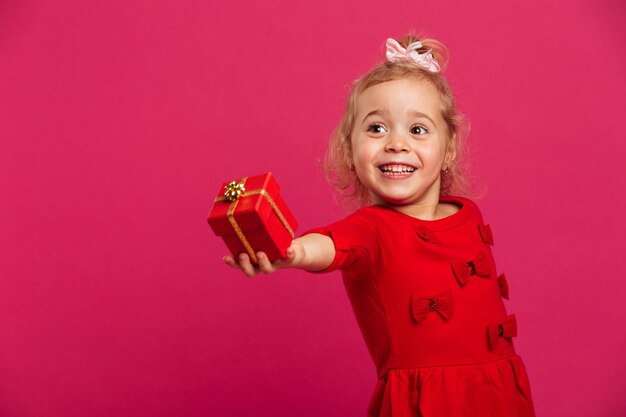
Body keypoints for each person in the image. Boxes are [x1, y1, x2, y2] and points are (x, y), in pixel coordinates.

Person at [223, 34, 536, 417]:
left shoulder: (467, 213)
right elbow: (329, 245)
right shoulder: (373, 229)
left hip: (500, 398)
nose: (396, 144)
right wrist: (292, 252)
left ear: (449, 148)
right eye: (376, 129)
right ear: (349, 149)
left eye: (417, 130)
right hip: (425, 406)